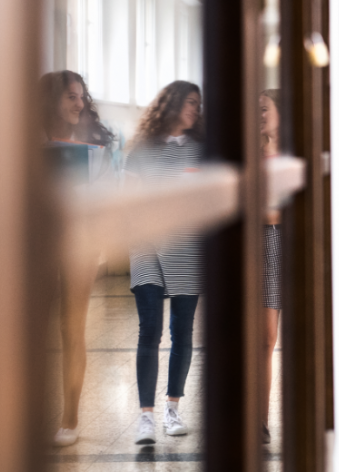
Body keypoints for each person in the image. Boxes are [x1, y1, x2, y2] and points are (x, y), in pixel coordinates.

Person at [123, 81, 205, 445]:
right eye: (189, 102)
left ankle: (173, 408)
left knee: (182, 331)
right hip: (145, 244)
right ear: (170, 104)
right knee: (150, 329)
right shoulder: (141, 149)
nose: (195, 109)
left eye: (198, 105)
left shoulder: (202, 150)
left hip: (187, 245)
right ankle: (145, 417)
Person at [41, 70, 115, 448]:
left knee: (72, 331)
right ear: (51, 100)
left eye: (82, 96)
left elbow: (106, 196)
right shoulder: (29, 143)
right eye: (71, 96)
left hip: (81, 244)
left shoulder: (95, 145)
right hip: (37, 245)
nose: (79, 103)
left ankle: (70, 419)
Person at [260, 89, 282, 445]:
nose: (257, 114)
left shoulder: (300, 153)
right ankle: (258, 421)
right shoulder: (249, 153)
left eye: (263, 109)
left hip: (294, 247)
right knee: (263, 341)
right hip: (260, 248)